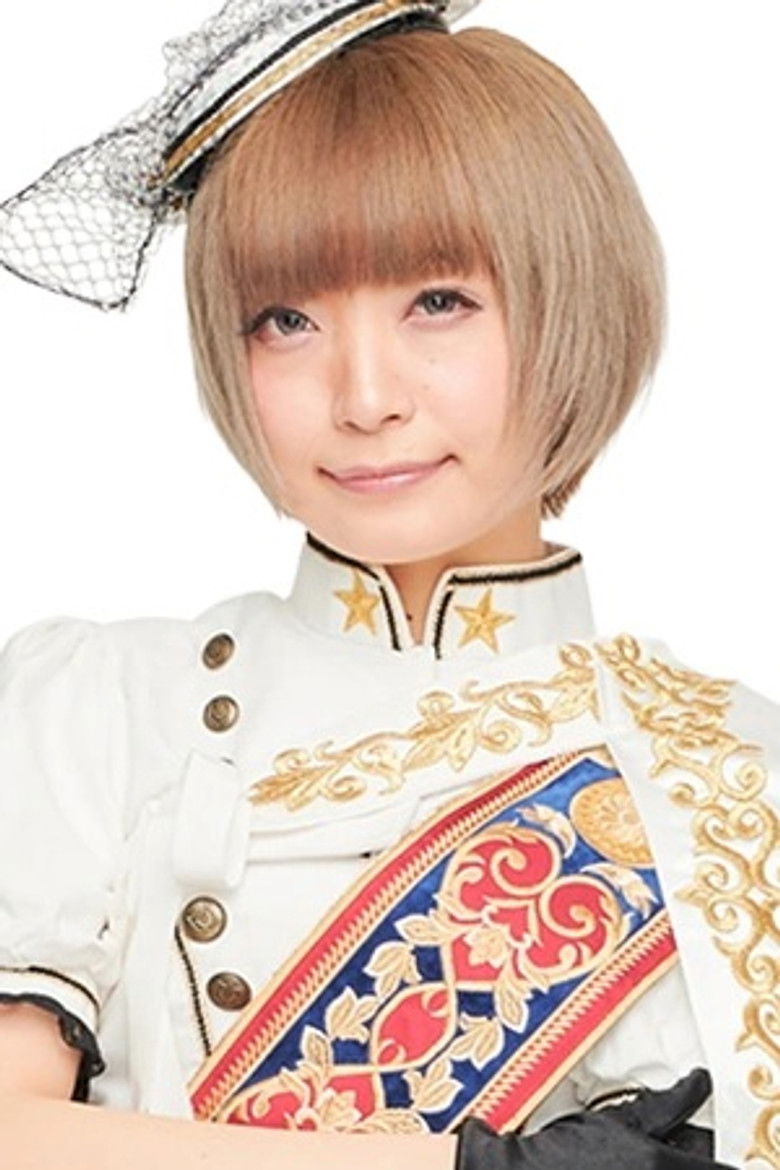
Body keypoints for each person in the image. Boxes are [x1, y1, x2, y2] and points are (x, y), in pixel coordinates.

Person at [0, 2, 777, 1168]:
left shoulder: (729, 778)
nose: (364, 396)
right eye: (287, 320)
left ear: (579, 299)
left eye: (438, 303)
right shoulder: (101, 704)